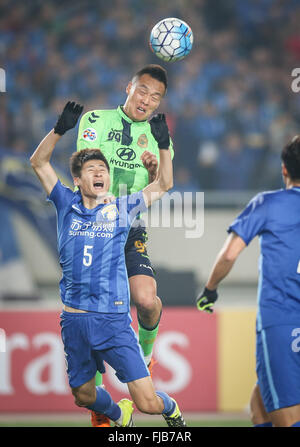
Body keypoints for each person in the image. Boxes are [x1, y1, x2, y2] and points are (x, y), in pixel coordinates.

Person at [30, 101, 186, 427]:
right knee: (83, 396)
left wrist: (162, 145)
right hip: (74, 322)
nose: (100, 172)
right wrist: (60, 129)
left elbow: (164, 185)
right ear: (77, 180)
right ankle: (118, 413)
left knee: (149, 403)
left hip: (113, 323)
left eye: (103, 169)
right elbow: (39, 162)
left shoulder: (123, 208)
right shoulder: (65, 202)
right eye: (91, 169)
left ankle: (170, 407)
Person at [76, 64, 173, 426]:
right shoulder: (95, 120)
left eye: (156, 97)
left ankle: (145, 356)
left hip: (129, 227)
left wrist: (153, 171)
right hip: (91, 230)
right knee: (92, 316)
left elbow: (163, 186)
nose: (147, 101)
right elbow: (87, 170)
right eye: (143, 91)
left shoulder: (159, 135)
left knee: (147, 300)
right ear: (128, 87)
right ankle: (101, 411)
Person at [196, 135, 300, 427]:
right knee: (259, 405)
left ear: (284, 170)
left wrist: (209, 290)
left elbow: (229, 254)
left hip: (283, 320)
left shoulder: (268, 203)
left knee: (288, 420)